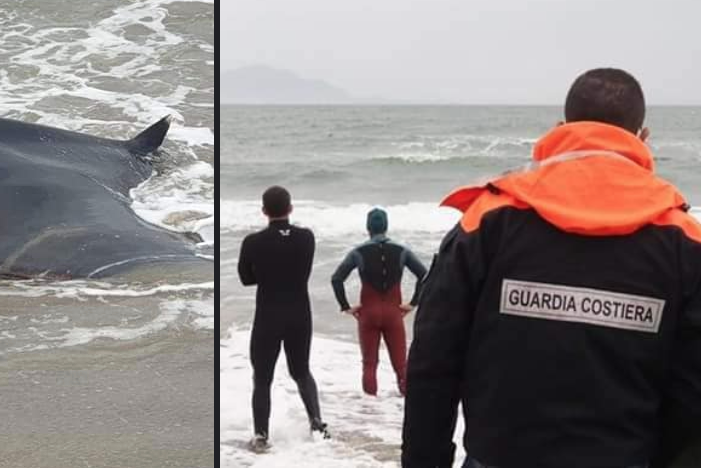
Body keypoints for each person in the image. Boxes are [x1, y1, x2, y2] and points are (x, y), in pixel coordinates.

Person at [401, 67, 701, 468]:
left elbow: (433, 362)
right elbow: (691, 393)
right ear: (643, 137)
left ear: (561, 127)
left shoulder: (488, 221)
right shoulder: (685, 241)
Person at [238, 185, 329, 453]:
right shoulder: (306, 238)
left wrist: (265, 276)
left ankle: (261, 435)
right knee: (301, 371)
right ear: (290, 208)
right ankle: (317, 423)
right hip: (300, 313)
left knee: (263, 377)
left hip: (268, 315)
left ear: (264, 211)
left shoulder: (253, 242)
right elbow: (303, 269)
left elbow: (245, 278)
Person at [330, 207, 427, 397]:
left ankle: (369, 413)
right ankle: (405, 408)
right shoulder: (402, 251)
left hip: (368, 313)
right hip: (394, 313)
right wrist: (414, 303)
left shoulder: (357, 252)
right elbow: (424, 275)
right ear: (386, 226)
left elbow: (336, 279)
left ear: (368, 228)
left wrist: (346, 307)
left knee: (369, 364)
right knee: (401, 365)